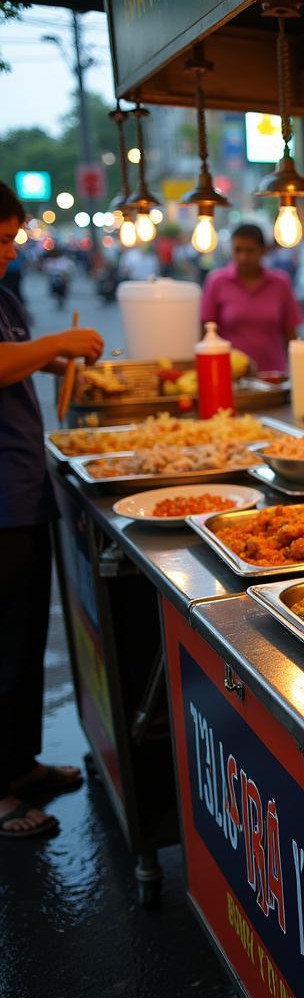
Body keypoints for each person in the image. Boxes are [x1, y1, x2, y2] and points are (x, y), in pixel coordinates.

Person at [0, 181, 104, 839]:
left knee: (27, 641)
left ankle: (20, 766)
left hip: (23, 489)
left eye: (9, 238)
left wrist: (54, 360)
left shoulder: (6, 296)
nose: (5, 251)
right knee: (0, 650)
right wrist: (54, 349)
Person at [200, 223, 302, 374]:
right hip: (229, 374)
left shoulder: (280, 283)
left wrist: (297, 370)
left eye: (250, 251)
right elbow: (205, 332)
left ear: (263, 251)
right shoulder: (217, 281)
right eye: (238, 250)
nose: (243, 257)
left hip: (273, 375)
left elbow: (290, 334)